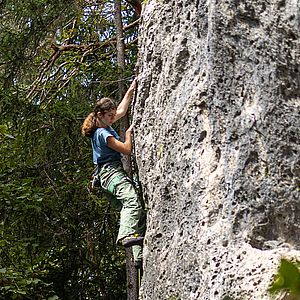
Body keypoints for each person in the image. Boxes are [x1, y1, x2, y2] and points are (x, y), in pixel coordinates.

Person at [81, 79, 145, 267]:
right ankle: (126, 235)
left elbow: (122, 111)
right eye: (109, 115)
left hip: (105, 178)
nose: (112, 118)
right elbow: (125, 149)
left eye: (112, 115)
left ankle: (138, 256)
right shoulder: (103, 133)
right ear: (100, 115)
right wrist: (128, 134)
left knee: (137, 212)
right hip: (110, 174)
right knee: (132, 201)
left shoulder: (103, 124)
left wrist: (130, 91)